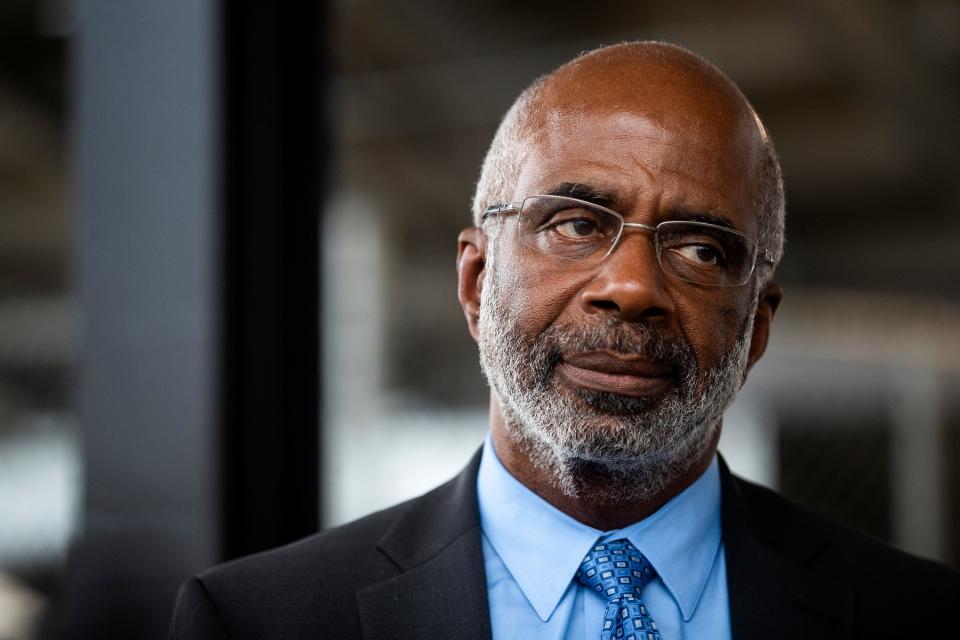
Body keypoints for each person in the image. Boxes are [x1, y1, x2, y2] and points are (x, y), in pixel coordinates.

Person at [170, 41, 959, 639]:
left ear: (755, 327)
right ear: (478, 282)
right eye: (576, 224)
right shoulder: (258, 622)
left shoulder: (917, 616)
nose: (633, 287)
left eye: (700, 249)